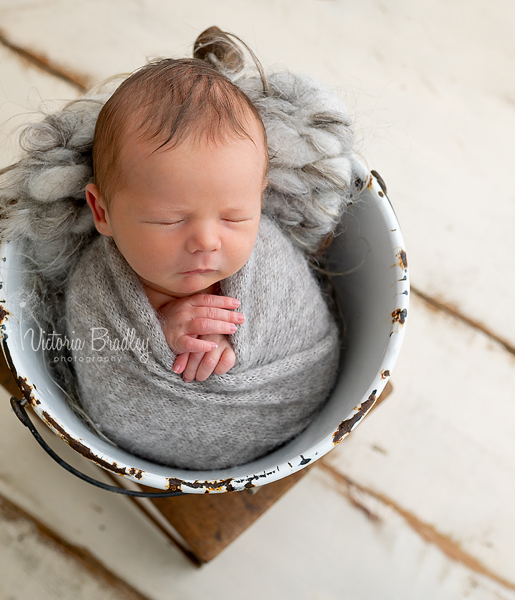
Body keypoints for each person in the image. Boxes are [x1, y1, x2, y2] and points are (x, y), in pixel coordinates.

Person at [64, 57, 342, 469]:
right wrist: (158, 333)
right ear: (102, 212)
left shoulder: (269, 258)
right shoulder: (95, 290)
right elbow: (106, 378)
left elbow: (302, 331)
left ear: (261, 198)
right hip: (157, 447)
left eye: (235, 216)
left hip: (296, 413)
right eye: (169, 220)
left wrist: (239, 340)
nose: (207, 241)